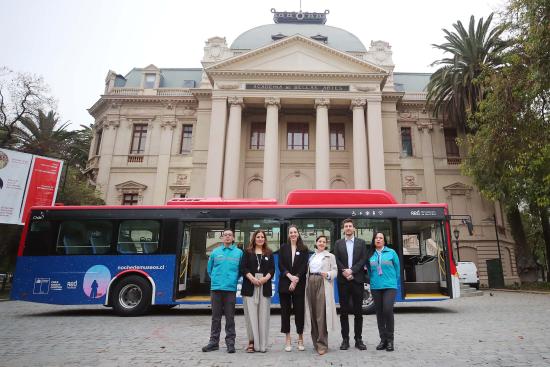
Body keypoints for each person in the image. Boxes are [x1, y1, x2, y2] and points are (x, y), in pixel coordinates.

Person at [202, 229, 243, 354]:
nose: (227, 237)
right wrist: (216, 279)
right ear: (222, 238)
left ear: (233, 238)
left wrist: (233, 280)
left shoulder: (239, 253)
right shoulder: (215, 252)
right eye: (225, 235)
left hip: (230, 289)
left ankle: (230, 343)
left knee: (230, 317)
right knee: (216, 317)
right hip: (216, 289)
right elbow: (209, 269)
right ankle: (213, 342)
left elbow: (241, 270)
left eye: (230, 235)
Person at [334, 218, 368, 350]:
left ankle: (358, 339)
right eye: (346, 226)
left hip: (357, 280)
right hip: (343, 281)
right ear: (343, 229)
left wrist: (352, 271)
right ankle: (345, 339)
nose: (348, 228)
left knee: (358, 312)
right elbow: (336, 258)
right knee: (344, 312)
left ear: (354, 229)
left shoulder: (361, 243)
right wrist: (344, 271)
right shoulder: (338, 243)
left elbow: (363, 259)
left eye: (350, 226)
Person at [241, 229, 275, 353]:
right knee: (251, 316)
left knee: (263, 315)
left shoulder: (269, 253)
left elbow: (272, 269)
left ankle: (262, 344)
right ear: (254, 239)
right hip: (250, 286)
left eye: (262, 237)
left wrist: (265, 278)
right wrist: (252, 278)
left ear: (265, 239)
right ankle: (251, 342)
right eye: (258, 237)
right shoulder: (247, 252)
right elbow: (243, 268)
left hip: (264, 286)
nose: (260, 238)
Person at [305, 235, 338, 355]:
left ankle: (322, 344)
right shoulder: (312, 256)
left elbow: (335, 271)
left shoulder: (330, 256)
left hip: (322, 282)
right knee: (312, 313)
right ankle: (315, 342)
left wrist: (328, 274)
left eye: (324, 242)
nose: (322, 243)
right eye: (320, 241)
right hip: (310, 283)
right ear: (316, 242)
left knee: (321, 314)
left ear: (326, 244)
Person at [278, 225, 308, 351]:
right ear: (288, 234)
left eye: (295, 232)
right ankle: (288, 339)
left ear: (298, 234)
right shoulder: (283, 248)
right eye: (291, 232)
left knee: (299, 312)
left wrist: (295, 279)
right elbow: (281, 265)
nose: (293, 234)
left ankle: (300, 339)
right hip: (285, 283)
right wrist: (290, 277)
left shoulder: (304, 248)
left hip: (299, 284)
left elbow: (304, 266)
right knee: (285, 312)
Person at [368, 231, 400, 352]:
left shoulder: (391, 252)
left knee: (387, 309)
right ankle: (383, 340)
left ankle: (390, 340)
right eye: (376, 238)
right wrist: (373, 281)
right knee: (379, 313)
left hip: (389, 286)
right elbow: (370, 271)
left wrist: (392, 280)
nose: (378, 240)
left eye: (381, 238)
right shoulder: (370, 254)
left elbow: (397, 268)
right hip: (376, 287)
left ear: (384, 241)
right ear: (374, 241)